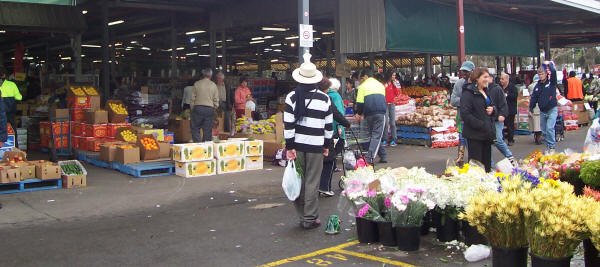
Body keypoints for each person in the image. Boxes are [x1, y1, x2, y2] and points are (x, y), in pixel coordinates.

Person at [284, 52, 333, 229]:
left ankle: (303, 215)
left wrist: (289, 147)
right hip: (316, 146)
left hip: (297, 146)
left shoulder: (291, 97)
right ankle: (310, 217)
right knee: (312, 182)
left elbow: (288, 125)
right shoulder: (325, 98)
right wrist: (326, 145)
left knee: (299, 181)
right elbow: (329, 126)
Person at [318, 78, 350, 197]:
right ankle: (324, 187)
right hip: (327, 133)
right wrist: (346, 124)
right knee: (329, 159)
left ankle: (311, 188)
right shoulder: (328, 98)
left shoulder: (305, 97)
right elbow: (337, 113)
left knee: (314, 162)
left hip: (309, 137)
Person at [461, 68, 496, 172]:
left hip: (487, 134)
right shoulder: (468, 93)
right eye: (484, 77)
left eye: (488, 77)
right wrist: (481, 125)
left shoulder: (486, 91)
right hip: (475, 135)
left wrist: (493, 110)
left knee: (487, 165)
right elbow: (465, 114)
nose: (487, 79)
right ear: (477, 78)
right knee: (477, 165)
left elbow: (492, 106)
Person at [355, 68, 387, 164]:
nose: (361, 80)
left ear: (365, 76)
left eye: (361, 78)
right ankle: (370, 158)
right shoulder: (380, 85)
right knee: (376, 135)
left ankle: (382, 155)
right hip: (380, 113)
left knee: (374, 135)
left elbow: (360, 103)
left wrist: (358, 113)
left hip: (369, 114)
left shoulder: (362, 87)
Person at [450, 61, 475, 165]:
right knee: (462, 137)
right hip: (462, 117)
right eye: (463, 71)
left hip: (475, 118)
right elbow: (453, 100)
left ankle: (473, 160)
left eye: (466, 71)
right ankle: (461, 158)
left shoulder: (477, 83)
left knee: (472, 141)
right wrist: (466, 101)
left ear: (473, 71)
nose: (464, 74)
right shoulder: (459, 84)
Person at [530, 61, 558, 151]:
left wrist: (548, 64)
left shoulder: (551, 82)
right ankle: (548, 146)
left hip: (552, 109)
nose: (541, 76)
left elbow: (553, 72)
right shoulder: (537, 86)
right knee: (544, 131)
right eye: (539, 74)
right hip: (542, 111)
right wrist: (531, 108)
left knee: (550, 128)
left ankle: (552, 146)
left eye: (542, 74)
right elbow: (534, 97)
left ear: (546, 74)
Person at [488, 74, 516, 166]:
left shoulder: (497, 89)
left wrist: (502, 114)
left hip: (497, 119)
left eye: (486, 77)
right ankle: (490, 164)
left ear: (491, 78)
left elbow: (503, 104)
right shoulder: (482, 89)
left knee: (497, 139)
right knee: (488, 141)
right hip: (487, 120)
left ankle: (510, 156)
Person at [190, 68, 219, 142]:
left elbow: (192, 98)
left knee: (195, 128)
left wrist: (192, 108)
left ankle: (197, 144)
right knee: (207, 130)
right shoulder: (213, 85)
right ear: (211, 75)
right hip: (209, 109)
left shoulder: (197, 84)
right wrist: (214, 108)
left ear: (203, 75)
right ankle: (205, 147)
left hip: (198, 108)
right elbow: (216, 100)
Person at [0, 68, 21, 147]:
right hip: (10, 112)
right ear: (4, 75)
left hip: (2, 113)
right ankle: (15, 148)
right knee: (12, 130)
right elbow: (19, 97)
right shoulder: (12, 84)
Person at [500, 73, 518, 146]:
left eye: (502, 79)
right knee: (501, 125)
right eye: (500, 79)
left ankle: (510, 139)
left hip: (510, 109)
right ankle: (501, 139)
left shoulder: (512, 87)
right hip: (502, 109)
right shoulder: (499, 87)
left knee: (510, 125)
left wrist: (507, 95)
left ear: (507, 79)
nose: (501, 80)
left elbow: (514, 96)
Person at [383, 71, 400, 147]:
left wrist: (395, 85)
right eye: (393, 75)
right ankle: (385, 139)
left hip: (392, 104)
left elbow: (397, 93)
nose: (394, 77)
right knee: (386, 123)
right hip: (385, 105)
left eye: (395, 75)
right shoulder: (383, 84)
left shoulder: (394, 84)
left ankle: (394, 139)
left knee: (392, 123)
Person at [528, 74, 543, 145]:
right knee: (540, 124)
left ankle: (537, 137)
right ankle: (539, 138)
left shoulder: (530, 86)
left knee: (535, 125)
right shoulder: (542, 85)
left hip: (533, 107)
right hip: (541, 107)